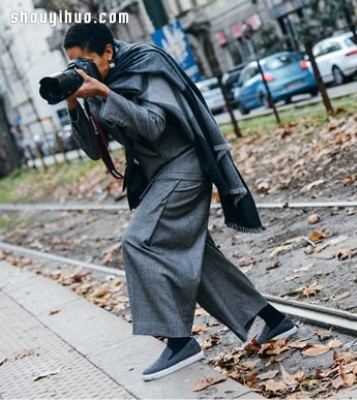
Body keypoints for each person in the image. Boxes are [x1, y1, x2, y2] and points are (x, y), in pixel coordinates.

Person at [63, 22, 296, 381]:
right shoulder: (95, 82)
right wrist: (75, 105)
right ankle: (274, 321)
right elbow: (95, 151)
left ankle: (179, 341)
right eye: (73, 65)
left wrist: (107, 94)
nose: (81, 70)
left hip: (185, 163)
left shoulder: (145, 63)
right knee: (197, 257)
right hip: (157, 173)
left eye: (85, 61)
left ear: (107, 51)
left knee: (140, 242)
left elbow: (155, 124)